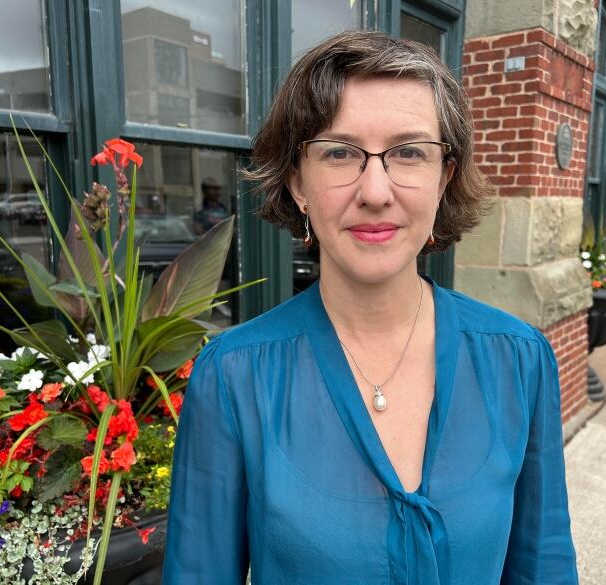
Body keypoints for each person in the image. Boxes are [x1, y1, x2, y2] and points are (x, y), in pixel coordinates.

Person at [163, 31, 578, 584]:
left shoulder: (518, 360)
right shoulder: (237, 375)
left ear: (443, 177)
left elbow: (543, 565)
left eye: (409, 152)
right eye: (339, 153)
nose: (376, 190)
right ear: (298, 183)